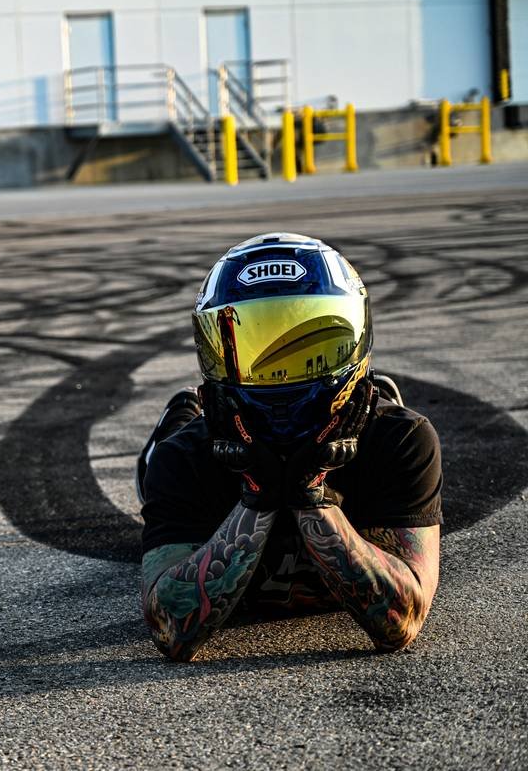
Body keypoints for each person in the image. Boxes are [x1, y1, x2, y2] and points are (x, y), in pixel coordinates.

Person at [137, 233, 442, 661]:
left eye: (310, 354)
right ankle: (182, 410)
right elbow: (169, 628)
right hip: (197, 444)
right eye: (254, 352)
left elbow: (402, 622)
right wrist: (257, 498)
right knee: (154, 465)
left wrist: (310, 496)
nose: (283, 381)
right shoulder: (183, 459)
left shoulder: (402, 441)